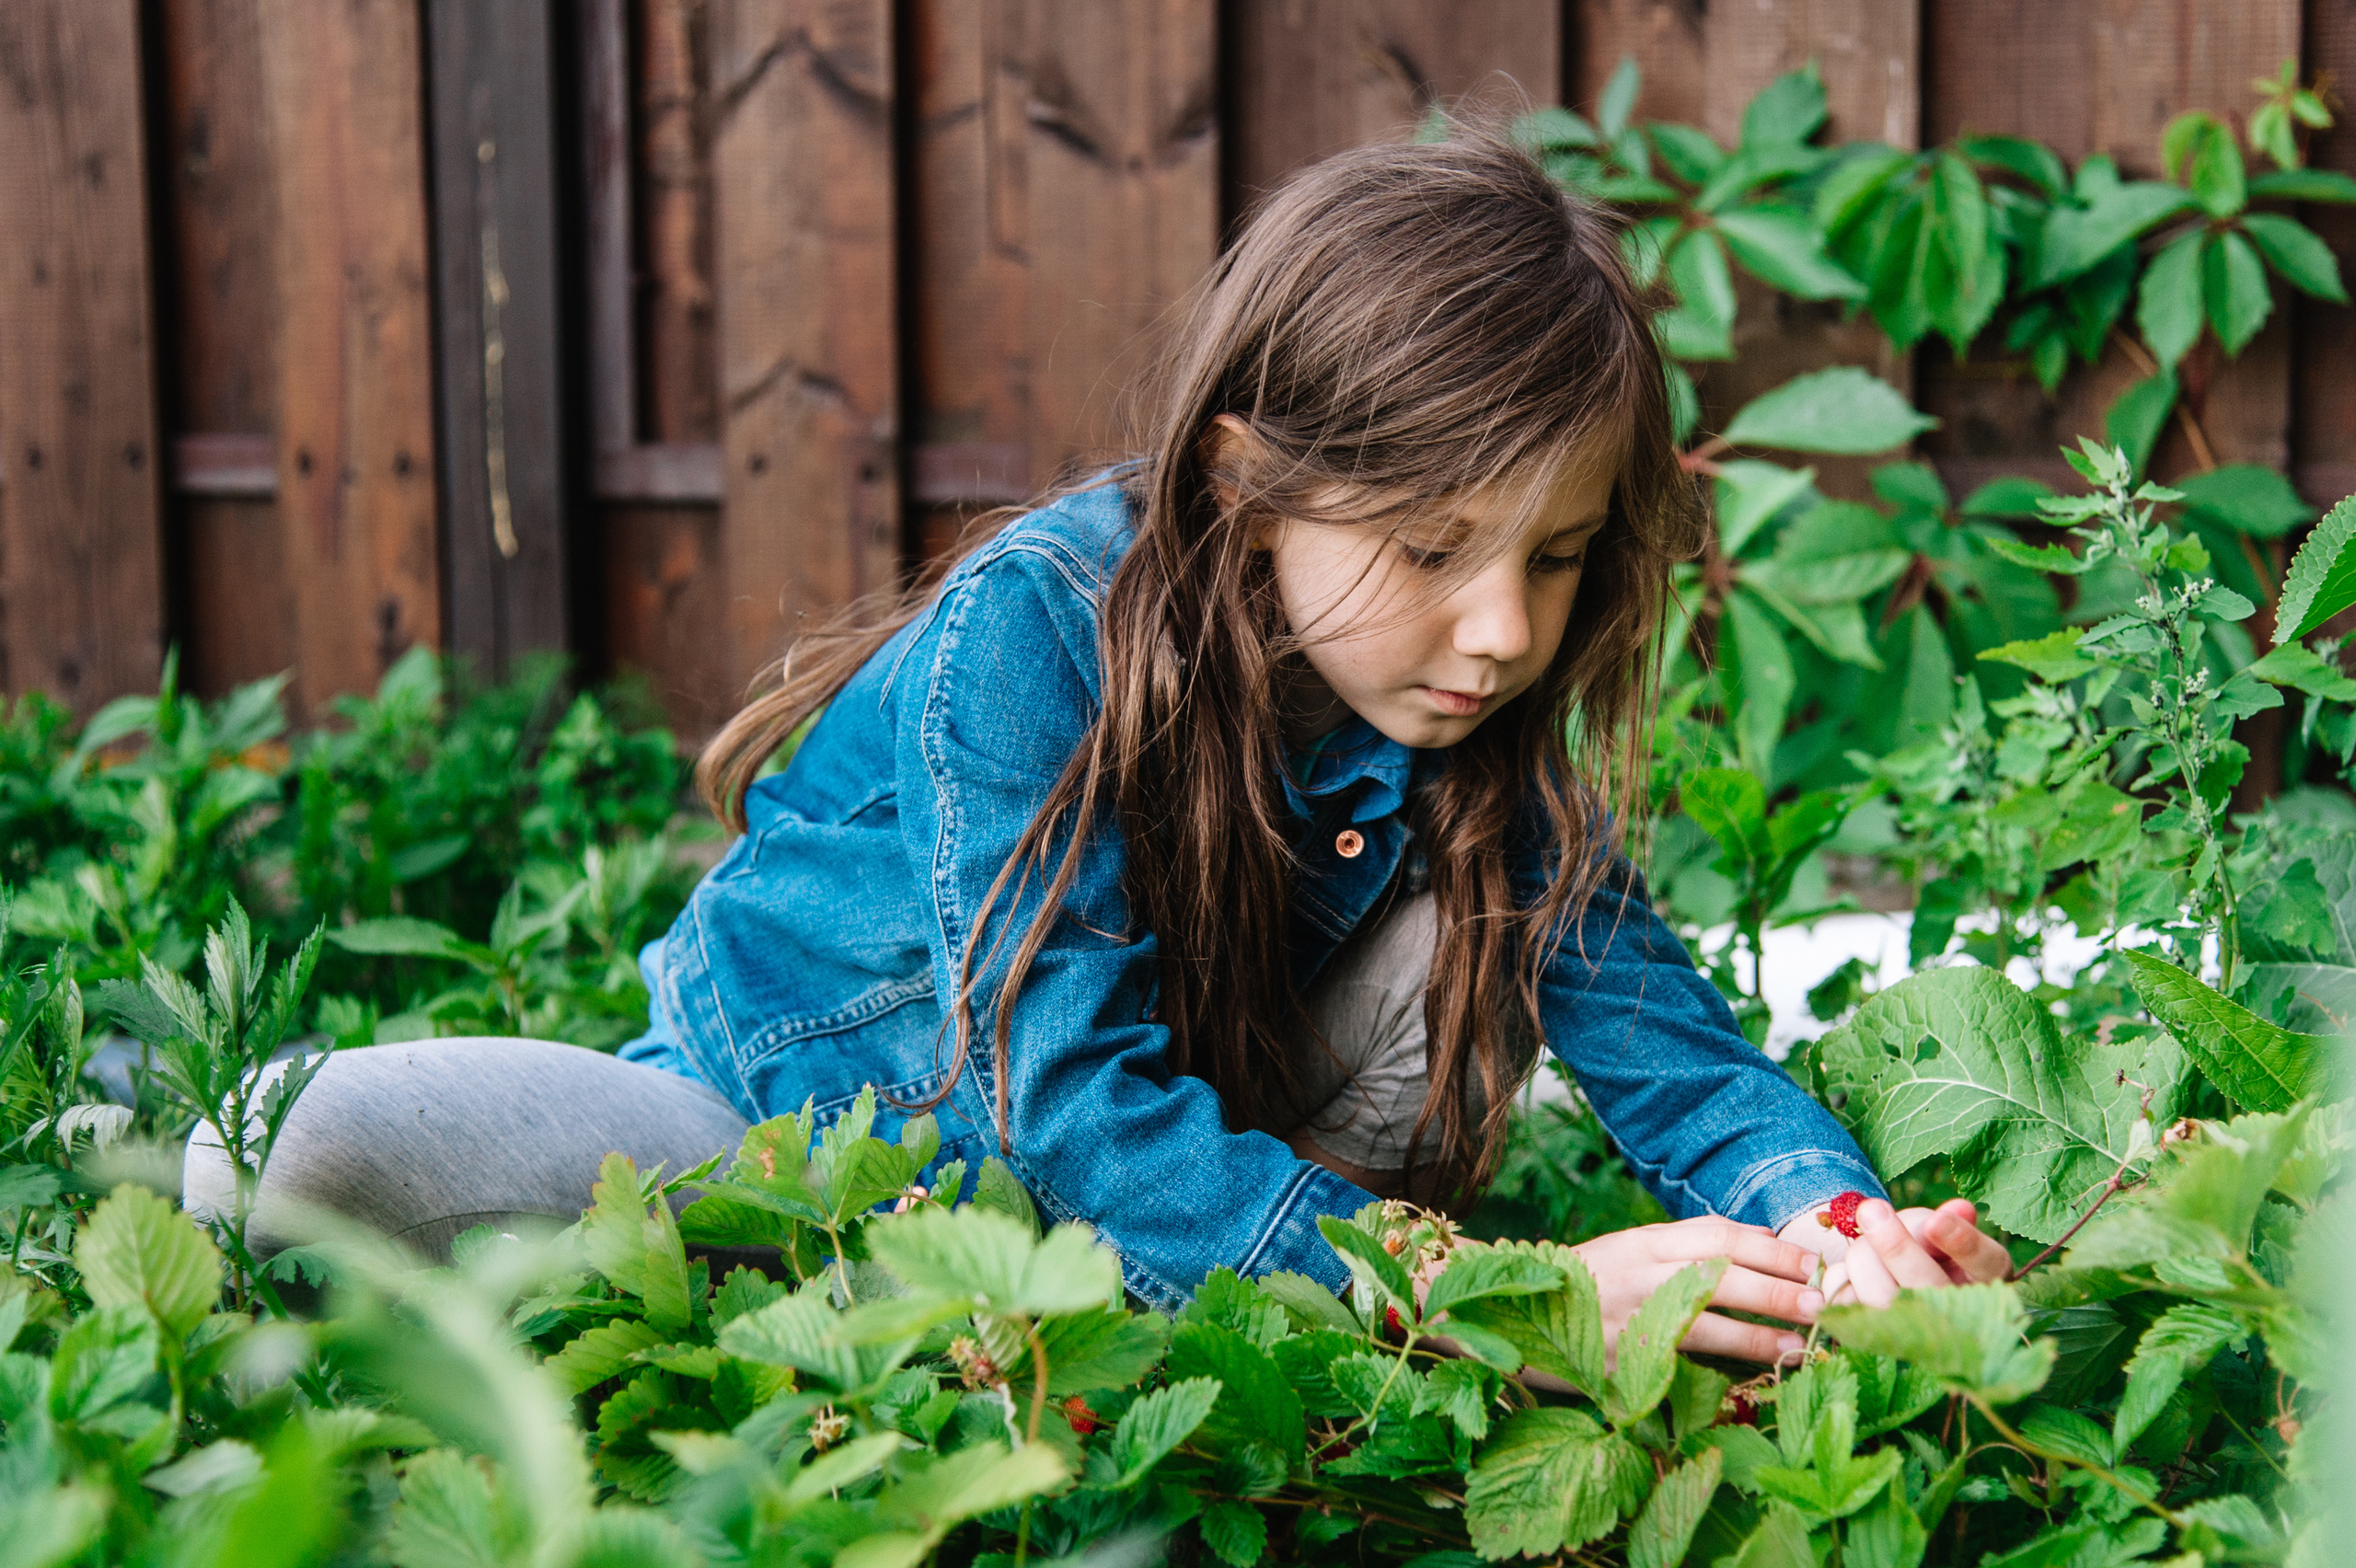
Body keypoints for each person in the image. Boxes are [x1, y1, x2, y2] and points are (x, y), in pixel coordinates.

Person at [189, 126, 2008, 1357]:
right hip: (783, 1143)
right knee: (304, 1143)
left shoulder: (1472, 722)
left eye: (1552, 559)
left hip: (1173, 1171)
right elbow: (1059, 1110)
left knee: (1485, 907)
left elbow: (1676, 1059)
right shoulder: (1036, 631)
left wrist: (1845, 1229)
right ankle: (133, 1143)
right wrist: (1505, 1300)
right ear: (1249, 482)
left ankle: (1264, 1292)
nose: (1505, 633)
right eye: (1430, 550)